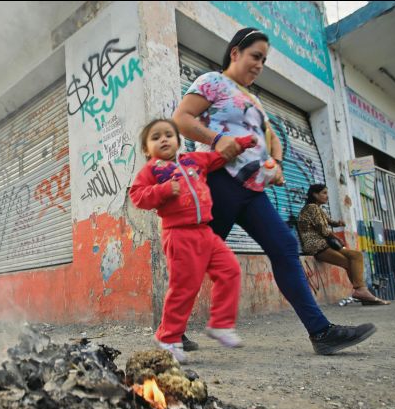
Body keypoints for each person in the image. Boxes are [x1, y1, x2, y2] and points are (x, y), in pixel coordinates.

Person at [173, 27, 376, 355]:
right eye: (255, 56)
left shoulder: (254, 102)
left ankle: (321, 332)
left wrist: (277, 163)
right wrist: (216, 139)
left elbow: (273, 140)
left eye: (264, 61)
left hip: (253, 191)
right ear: (235, 52)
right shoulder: (212, 81)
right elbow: (181, 118)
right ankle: (173, 331)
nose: (259, 65)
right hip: (218, 184)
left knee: (284, 246)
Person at [129, 118, 257, 363]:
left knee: (230, 270)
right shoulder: (152, 170)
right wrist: (163, 190)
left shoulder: (193, 161)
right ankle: (168, 338)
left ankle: (221, 324)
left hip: (206, 233)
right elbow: (137, 196)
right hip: (179, 235)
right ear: (147, 149)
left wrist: (243, 143)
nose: (163, 139)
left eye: (168, 134)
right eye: (156, 137)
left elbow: (220, 157)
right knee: (184, 289)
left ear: (179, 141)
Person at [298, 184, 389, 305]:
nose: (327, 196)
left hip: (322, 246)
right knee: (353, 258)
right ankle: (362, 291)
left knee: (352, 259)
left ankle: (363, 294)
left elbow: (329, 222)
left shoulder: (318, 209)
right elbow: (323, 230)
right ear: (315, 194)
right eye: (324, 193)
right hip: (317, 247)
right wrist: (336, 238)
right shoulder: (312, 208)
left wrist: (338, 223)